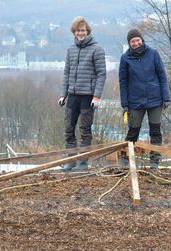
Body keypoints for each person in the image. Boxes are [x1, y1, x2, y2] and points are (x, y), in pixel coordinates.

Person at [58, 16, 106, 171]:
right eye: (78, 30)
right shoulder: (70, 50)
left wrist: (96, 96)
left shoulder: (97, 49)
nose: (80, 33)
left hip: (88, 96)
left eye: (83, 30)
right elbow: (67, 73)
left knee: (85, 130)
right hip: (72, 95)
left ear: (88, 31)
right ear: (74, 32)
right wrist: (63, 94)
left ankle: (82, 162)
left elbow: (101, 74)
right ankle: (71, 160)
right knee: (68, 128)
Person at [119, 28, 171, 168]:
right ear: (129, 43)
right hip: (135, 102)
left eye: (137, 40)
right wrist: (125, 104)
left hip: (155, 99)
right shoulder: (125, 58)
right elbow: (123, 83)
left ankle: (154, 163)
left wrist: (166, 97)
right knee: (133, 132)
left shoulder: (153, 54)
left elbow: (162, 76)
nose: (135, 43)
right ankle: (124, 161)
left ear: (141, 40)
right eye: (132, 41)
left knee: (155, 132)